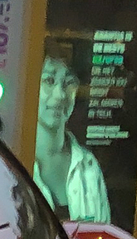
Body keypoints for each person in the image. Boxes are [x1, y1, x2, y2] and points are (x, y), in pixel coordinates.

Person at [35, 52, 112, 222]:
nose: (60, 95)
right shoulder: (10, 163)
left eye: (69, 83)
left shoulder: (89, 166)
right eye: (49, 81)